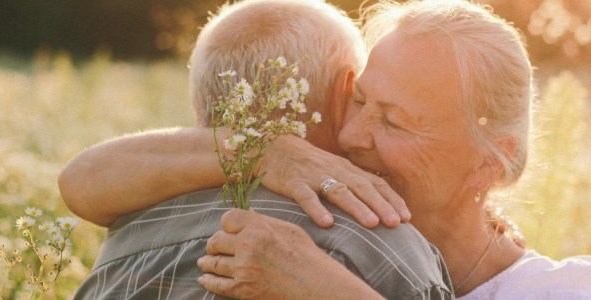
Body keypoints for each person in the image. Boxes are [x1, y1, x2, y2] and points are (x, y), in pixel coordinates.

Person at [63, 0, 591, 299]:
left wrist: (322, 289)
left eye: (396, 122)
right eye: (359, 101)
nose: (355, 135)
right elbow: (81, 181)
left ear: (492, 160)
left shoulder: (566, 291)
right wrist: (266, 150)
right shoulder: (313, 218)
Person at [64, 0, 454, 298]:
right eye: (360, 98)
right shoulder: (380, 243)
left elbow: (75, 179)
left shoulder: (129, 225)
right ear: (343, 91)